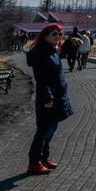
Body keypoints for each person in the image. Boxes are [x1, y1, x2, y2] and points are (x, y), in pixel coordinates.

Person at [25, 23, 72, 175]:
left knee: (51, 129)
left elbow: (61, 56)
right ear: (45, 35)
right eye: (54, 33)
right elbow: (42, 79)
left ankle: (44, 158)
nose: (58, 36)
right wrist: (47, 97)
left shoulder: (52, 50)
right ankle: (34, 162)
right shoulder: (42, 54)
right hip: (49, 99)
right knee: (44, 130)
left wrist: (70, 43)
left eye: (60, 33)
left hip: (58, 97)